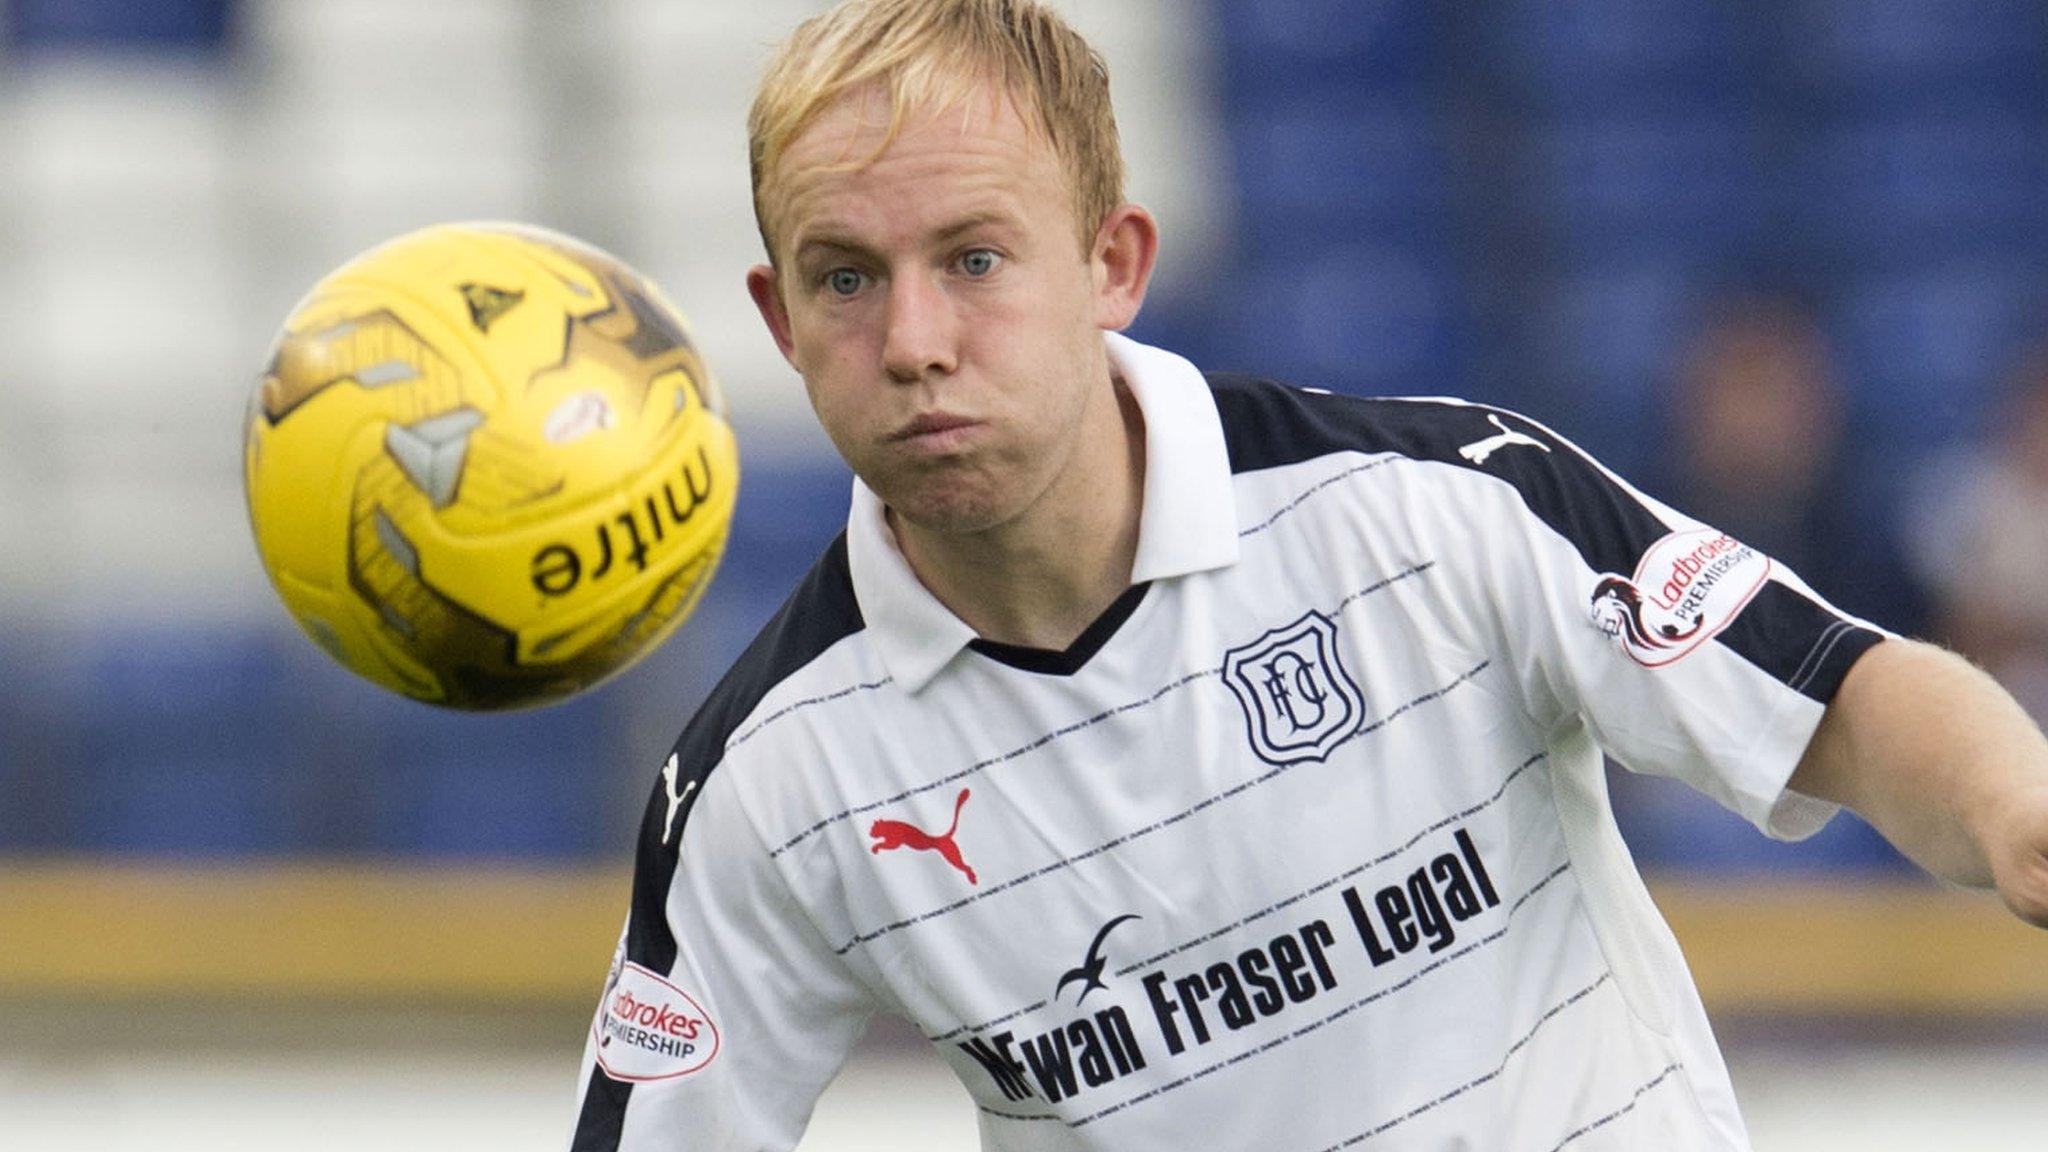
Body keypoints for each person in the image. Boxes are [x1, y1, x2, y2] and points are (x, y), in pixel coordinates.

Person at [569, 2, 2048, 1148]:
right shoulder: (763, 782)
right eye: (845, 277)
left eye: (973, 259)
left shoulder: (1436, 511)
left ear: (1113, 264)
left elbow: (1839, 691)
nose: (912, 341)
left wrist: (2015, 807)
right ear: (771, 314)